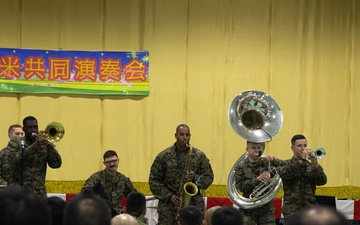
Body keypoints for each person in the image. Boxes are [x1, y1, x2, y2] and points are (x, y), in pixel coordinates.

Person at [149, 124, 214, 225]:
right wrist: (169, 196)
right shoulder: (163, 156)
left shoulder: (199, 156)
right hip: (169, 208)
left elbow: (209, 177)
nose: (185, 138)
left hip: (193, 207)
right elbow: (154, 181)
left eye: (187, 135)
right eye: (181, 134)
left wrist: (195, 178)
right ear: (176, 135)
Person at [8, 116, 62, 198]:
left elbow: (56, 164)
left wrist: (49, 145)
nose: (33, 130)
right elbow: (12, 162)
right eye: (29, 127)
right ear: (24, 129)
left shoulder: (44, 145)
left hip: (39, 194)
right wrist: (34, 146)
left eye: (35, 127)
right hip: (20, 194)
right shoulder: (16, 143)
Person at [277, 134, 327, 222]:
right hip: (292, 210)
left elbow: (322, 181)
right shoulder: (286, 164)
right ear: (292, 148)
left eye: (305, 145)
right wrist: (302, 159)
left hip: (311, 210)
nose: (303, 148)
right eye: (299, 146)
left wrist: (315, 162)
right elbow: (286, 174)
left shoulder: (311, 165)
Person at [234, 141, 283, 225]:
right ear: (247, 150)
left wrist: (274, 160)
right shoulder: (240, 167)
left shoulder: (267, 163)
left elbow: (284, 167)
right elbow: (241, 187)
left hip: (266, 209)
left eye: (258, 148)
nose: (256, 150)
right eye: (253, 148)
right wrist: (257, 180)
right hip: (248, 211)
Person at [82, 150, 137, 217]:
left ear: (118, 160)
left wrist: (129, 208)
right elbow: (85, 192)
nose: (112, 164)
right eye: (108, 162)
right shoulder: (97, 177)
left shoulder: (123, 179)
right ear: (104, 163)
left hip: (118, 216)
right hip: (100, 214)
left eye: (114, 161)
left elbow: (133, 196)